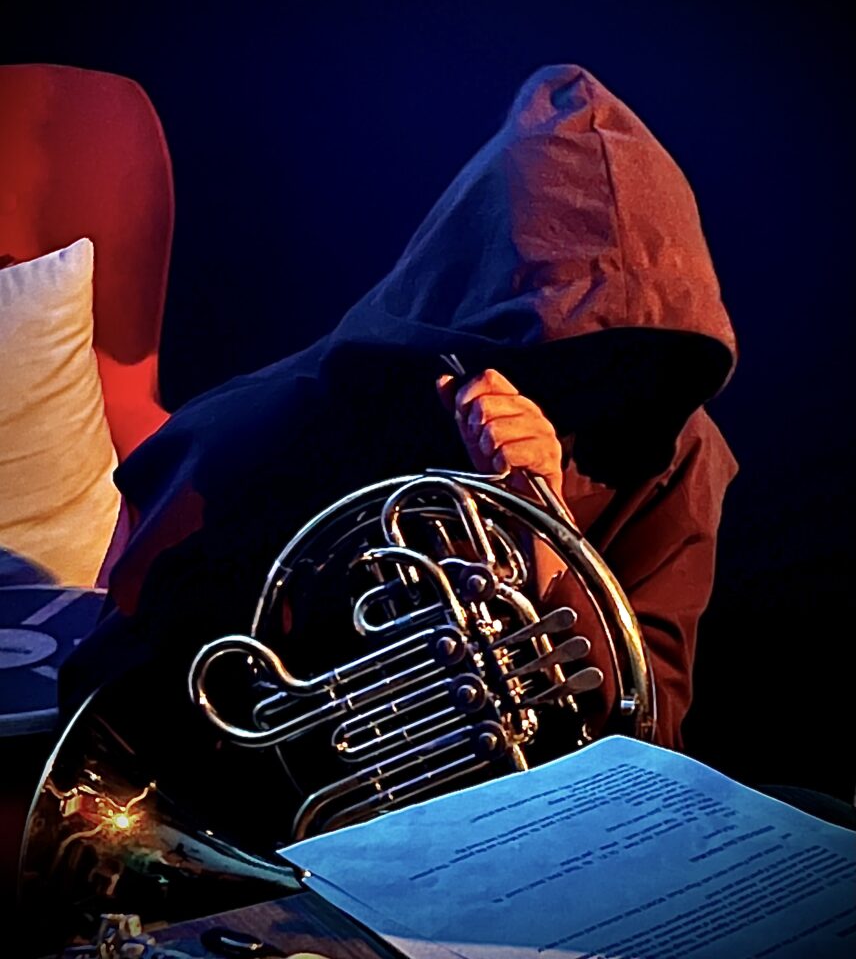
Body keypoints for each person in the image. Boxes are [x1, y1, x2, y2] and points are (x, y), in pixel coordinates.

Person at [61, 64, 739, 756]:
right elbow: (118, 707)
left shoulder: (679, 452)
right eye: (559, 347)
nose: (589, 389)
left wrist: (544, 527)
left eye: (628, 356)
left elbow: (653, 736)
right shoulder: (268, 431)